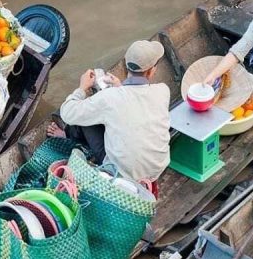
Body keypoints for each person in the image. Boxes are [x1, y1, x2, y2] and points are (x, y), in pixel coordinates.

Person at [47, 40, 171, 194]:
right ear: (151, 71)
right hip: (156, 169)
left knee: (86, 115)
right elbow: (137, 101)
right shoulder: (163, 91)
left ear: (126, 65)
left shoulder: (110, 97)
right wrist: (120, 87)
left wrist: (82, 87)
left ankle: (67, 135)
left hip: (122, 174)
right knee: (110, 116)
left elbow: (67, 113)